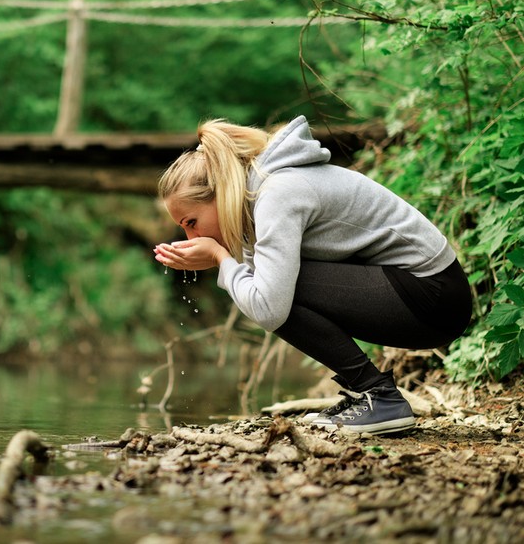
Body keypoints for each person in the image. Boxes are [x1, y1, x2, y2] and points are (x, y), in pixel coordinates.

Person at [153, 115, 472, 435]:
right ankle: (367, 394)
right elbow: (254, 282)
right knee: (268, 280)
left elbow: (267, 306)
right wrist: (227, 261)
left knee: (275, 288)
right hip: (420, 295)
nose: (190, 239)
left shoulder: (278, 192)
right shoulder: (260, 196)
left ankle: (379, 397)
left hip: (435, 296)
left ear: (221, 193)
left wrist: (221, 258)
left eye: (191, 222)